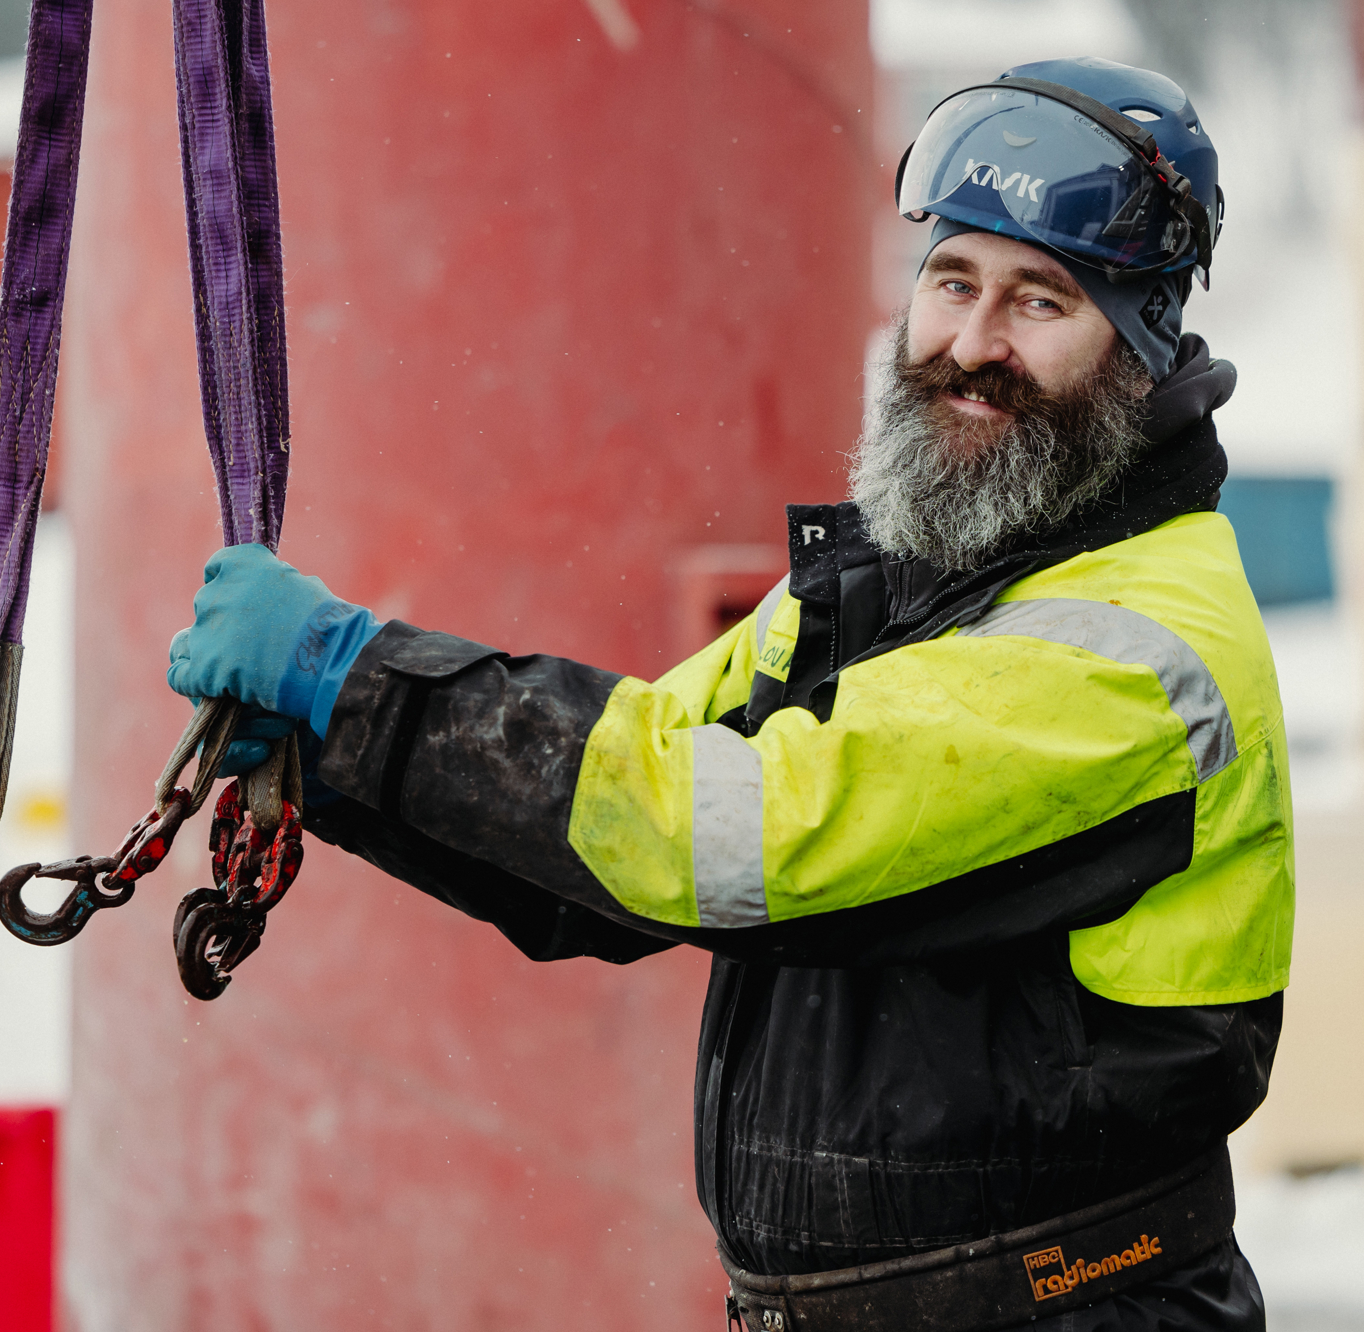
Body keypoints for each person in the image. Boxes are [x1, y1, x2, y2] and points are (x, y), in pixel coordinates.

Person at [166, 56, 1290, 1332]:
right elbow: (614, 831)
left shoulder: (1130, 651)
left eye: (1041, 302)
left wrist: (351, 674)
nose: (972, 346)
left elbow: (718, 825)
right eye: (953, 281)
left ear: (1139, 347)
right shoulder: (898, 577)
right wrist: (336, 748)